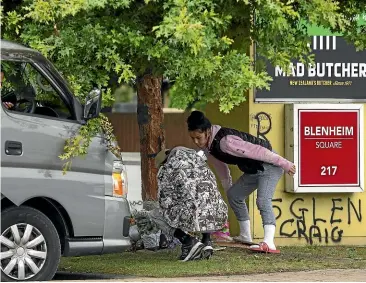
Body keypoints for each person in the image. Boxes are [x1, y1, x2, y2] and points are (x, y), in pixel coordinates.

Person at [186, 111, 296, 254]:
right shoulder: (210, 147)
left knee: (262, 201)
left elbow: (259, 151)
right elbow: (221, 167)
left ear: (207, 131)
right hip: (255, 169)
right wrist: (227, 189)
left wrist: (284, 163)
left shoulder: (226, 142)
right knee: (234, 195)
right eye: (192, 138)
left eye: (198, 137)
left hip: (270, 166)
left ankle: (269, 242)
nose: (196, 142)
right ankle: (245, 235)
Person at [151, 146, 228, 261]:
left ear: (164, 162)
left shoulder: (167, 168)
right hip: (217, 214)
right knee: (204, 203)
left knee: (155, 213)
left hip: (193, 214)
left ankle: (187, 241)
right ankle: (207, 241)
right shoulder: (201, 163)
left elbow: (164, 201)